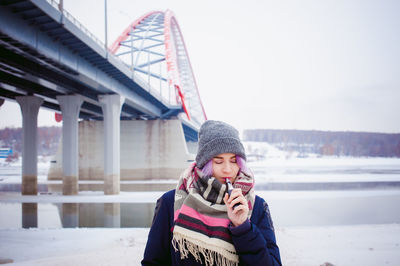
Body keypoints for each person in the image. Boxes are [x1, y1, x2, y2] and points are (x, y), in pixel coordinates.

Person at [142, 120, 281, 266]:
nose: (227, 169)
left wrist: (243, 227)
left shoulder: (256, 206)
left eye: (233, 161)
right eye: (218, 161)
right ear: (204, 163)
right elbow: (153, 262)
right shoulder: (171, 202)